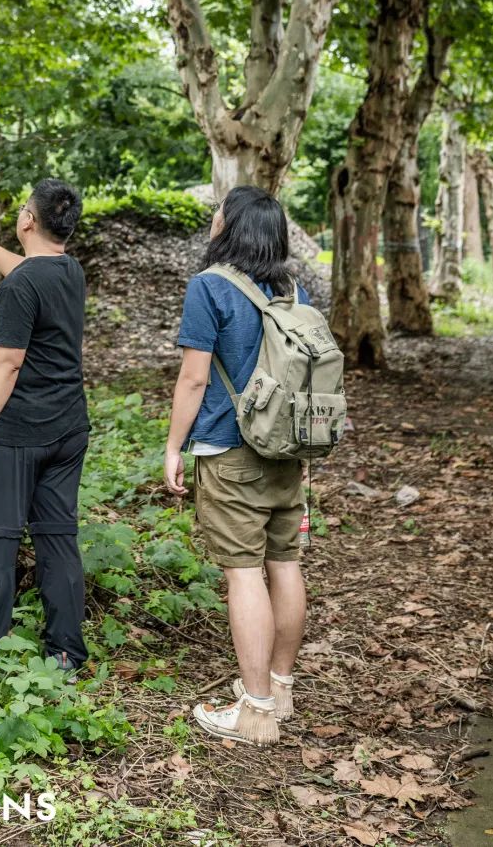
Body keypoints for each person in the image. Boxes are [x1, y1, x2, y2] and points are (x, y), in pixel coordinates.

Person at [165, 185, 309, 746]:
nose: (212, 216)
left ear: (230, 223)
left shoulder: (210, 287)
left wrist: (174, 446)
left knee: (244, 573)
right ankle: (281, 689)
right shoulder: (294, 294)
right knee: (286, 564)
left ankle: (254, 712)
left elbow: (194, 378)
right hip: (290, 453)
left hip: (231, 451)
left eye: (218, 210)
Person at [0, 178, 90, 672]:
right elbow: (29, 275)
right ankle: (65, 654)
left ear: (29, 221)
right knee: (57, 538)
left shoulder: (19, 287)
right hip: (68, 428)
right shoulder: (68, 271)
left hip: (16, 433)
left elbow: (7, 361)